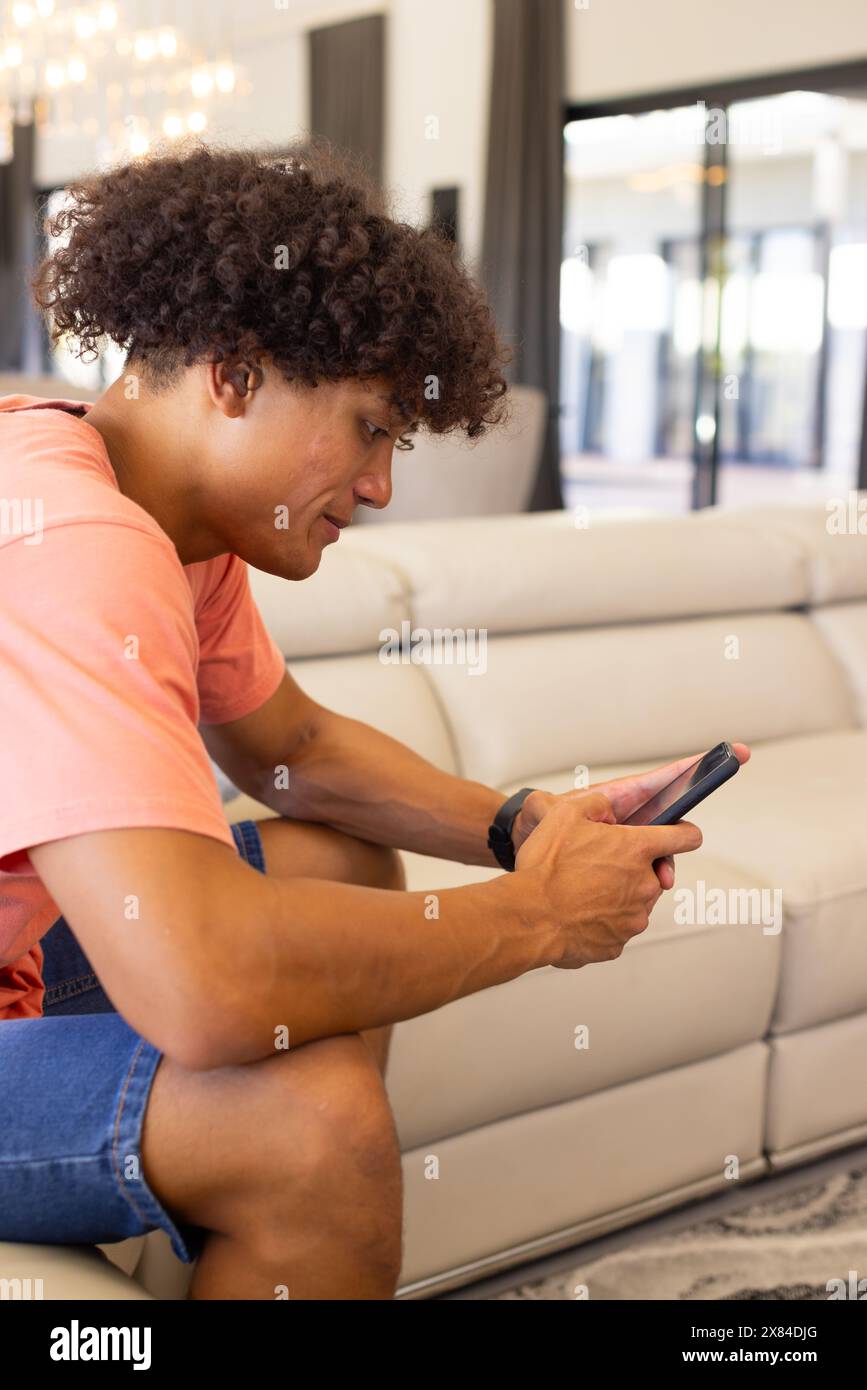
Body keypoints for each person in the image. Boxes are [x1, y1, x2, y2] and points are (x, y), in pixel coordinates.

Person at [0, 141, 743, 1300]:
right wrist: (539, 914)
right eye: (370, 428)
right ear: (236, 375)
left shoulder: (145, 504)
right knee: (315, 1125)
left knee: (336, 855)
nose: (385, 484)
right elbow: (202, 983)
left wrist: (524, 824)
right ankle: (286, 1196)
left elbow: (290, 752)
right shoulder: (79, 545)